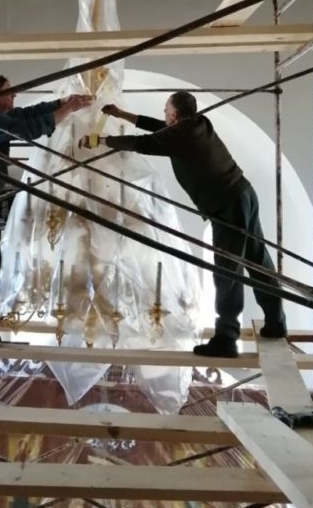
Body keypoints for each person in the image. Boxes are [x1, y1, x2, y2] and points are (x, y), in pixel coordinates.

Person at [78, 92, 286, 358]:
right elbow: (159, 129)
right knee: (258, 261)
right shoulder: (198, 124)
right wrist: (122, 114)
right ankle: (276, 323)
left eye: (166, 110)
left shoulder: (180, 135)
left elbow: (142, 143)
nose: (164, 113)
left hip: (227, 205)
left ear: (175, 115)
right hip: (243, 194)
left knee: (227, 272)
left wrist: (99, 140)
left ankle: (226, 339)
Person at [0, 75, 93, 347]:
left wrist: (63, 102)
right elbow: (26, 129)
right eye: (9, 92)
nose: (14, 96)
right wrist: (68, 109)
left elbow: (28, 114)